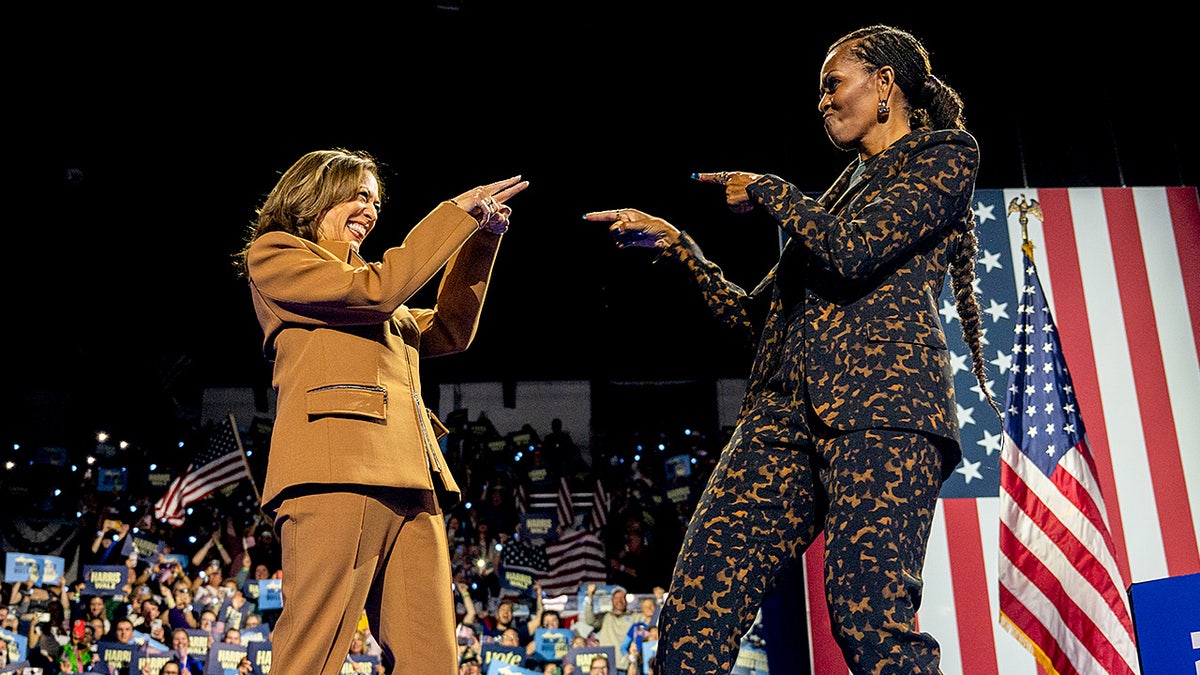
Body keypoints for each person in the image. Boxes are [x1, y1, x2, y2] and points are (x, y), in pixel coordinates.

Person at [584, 23, 996, 675]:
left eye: (834, 83)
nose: (823, 101)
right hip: (779, 425)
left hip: (883, 419)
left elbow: (858, 249)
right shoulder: (834, 195)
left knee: (869, 624)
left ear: (885, 83)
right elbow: (755, 319)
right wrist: (682, 249)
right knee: (695, 613)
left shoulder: (945, 156)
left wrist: (773, 190)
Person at [236, 147, 529, 675]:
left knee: (430, 659)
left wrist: (482, 240)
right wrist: (454, 215)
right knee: (314, 654)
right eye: (359, 194)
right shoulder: (277, 255)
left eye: (376, 200)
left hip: (413, 482)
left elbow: (448, 330)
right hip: (335, 475)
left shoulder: (376, 288)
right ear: (314, 193)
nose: (372, 209)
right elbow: (377, 293)